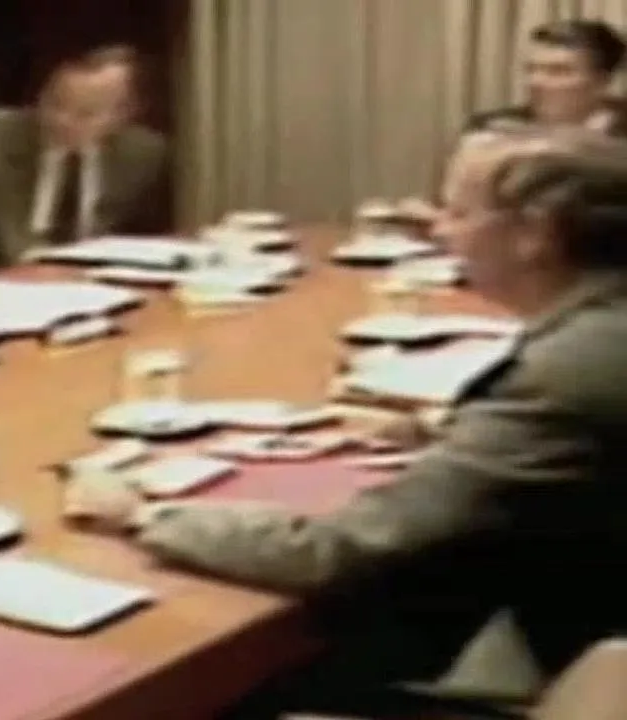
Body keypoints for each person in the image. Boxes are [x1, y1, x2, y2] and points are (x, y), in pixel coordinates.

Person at [66, 128, 627, 717]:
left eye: (458, 212)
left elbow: (341, 552)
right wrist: (440, 428)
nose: (439, 230)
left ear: (536, 235)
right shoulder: (601, 328)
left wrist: (142, 514)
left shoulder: (568, 373)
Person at [0, 44, 167, 276]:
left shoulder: (142, 155)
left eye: (86, 114)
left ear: (124, 115)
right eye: (55, 103)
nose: (62, 120)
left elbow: (144, 246)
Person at [399, 19, 627, 221]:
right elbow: (448, 205)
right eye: (531, 69)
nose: (536, 81)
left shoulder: (619, 135)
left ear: (602, 81)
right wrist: (425, 216)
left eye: (558, 71)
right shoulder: (489, 128)